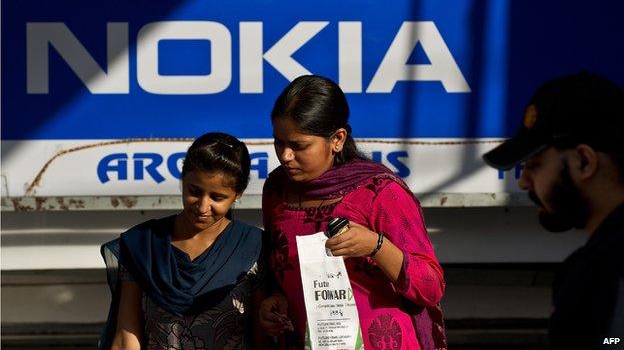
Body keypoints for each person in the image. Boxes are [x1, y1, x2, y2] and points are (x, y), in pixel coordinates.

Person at [258, 75, 447, 350]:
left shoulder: (379, 192)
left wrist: (376, 246)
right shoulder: (277, 190)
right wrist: (273, 300)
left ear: (337, 139)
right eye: (278, 142)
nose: (285, 155)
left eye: (299, 146)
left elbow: (430, 286)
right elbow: (277, 270)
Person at [483, 72, 624, 350]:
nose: (524, 182)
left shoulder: (606, 268)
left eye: (534, 166)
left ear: (584, 161)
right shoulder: (598, 261)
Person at [99, 132, 271, 350]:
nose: (202, 206)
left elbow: (263, 337)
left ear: (238, 193)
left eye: (217, 197)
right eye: (194, 191)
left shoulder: (253, 247)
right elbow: (126, 337)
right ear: (183, 180)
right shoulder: (143, 245)